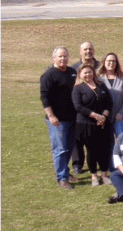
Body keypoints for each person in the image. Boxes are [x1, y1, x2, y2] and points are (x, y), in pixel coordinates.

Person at [41, 46, 78, 189]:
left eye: (65, 56)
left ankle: (66, 173)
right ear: (54, 58)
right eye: (60, 56)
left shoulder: (72, 72)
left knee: (68, 148)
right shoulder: (48, 75)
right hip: (57, 119)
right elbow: (44, 97)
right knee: (60, 148)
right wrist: (51, 116)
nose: (63, 59)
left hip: (72, 117)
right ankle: (61, 178)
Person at [72, 64, 113, 187]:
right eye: (85, 73)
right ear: (80, 74)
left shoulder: (101, 85)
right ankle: (94, 175)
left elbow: (109, 103)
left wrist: (103, 117)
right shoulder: (78, 88)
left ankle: (104, 175)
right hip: (86, 124)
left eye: (90, 72)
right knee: (91, 150)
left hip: (103, 123)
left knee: (104, 149)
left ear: (93, 73)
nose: (88, 75)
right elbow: (78, 106)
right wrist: (96, 116)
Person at [97, 53, 123, 138]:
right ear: (104, 62)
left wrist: (121, 112)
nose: (111, 63)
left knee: (121, 138)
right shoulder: (98, 78)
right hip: (103, 117)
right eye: (109, 61)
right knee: (106, 143)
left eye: (113, 61)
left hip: (119, 116)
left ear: (117, 63)